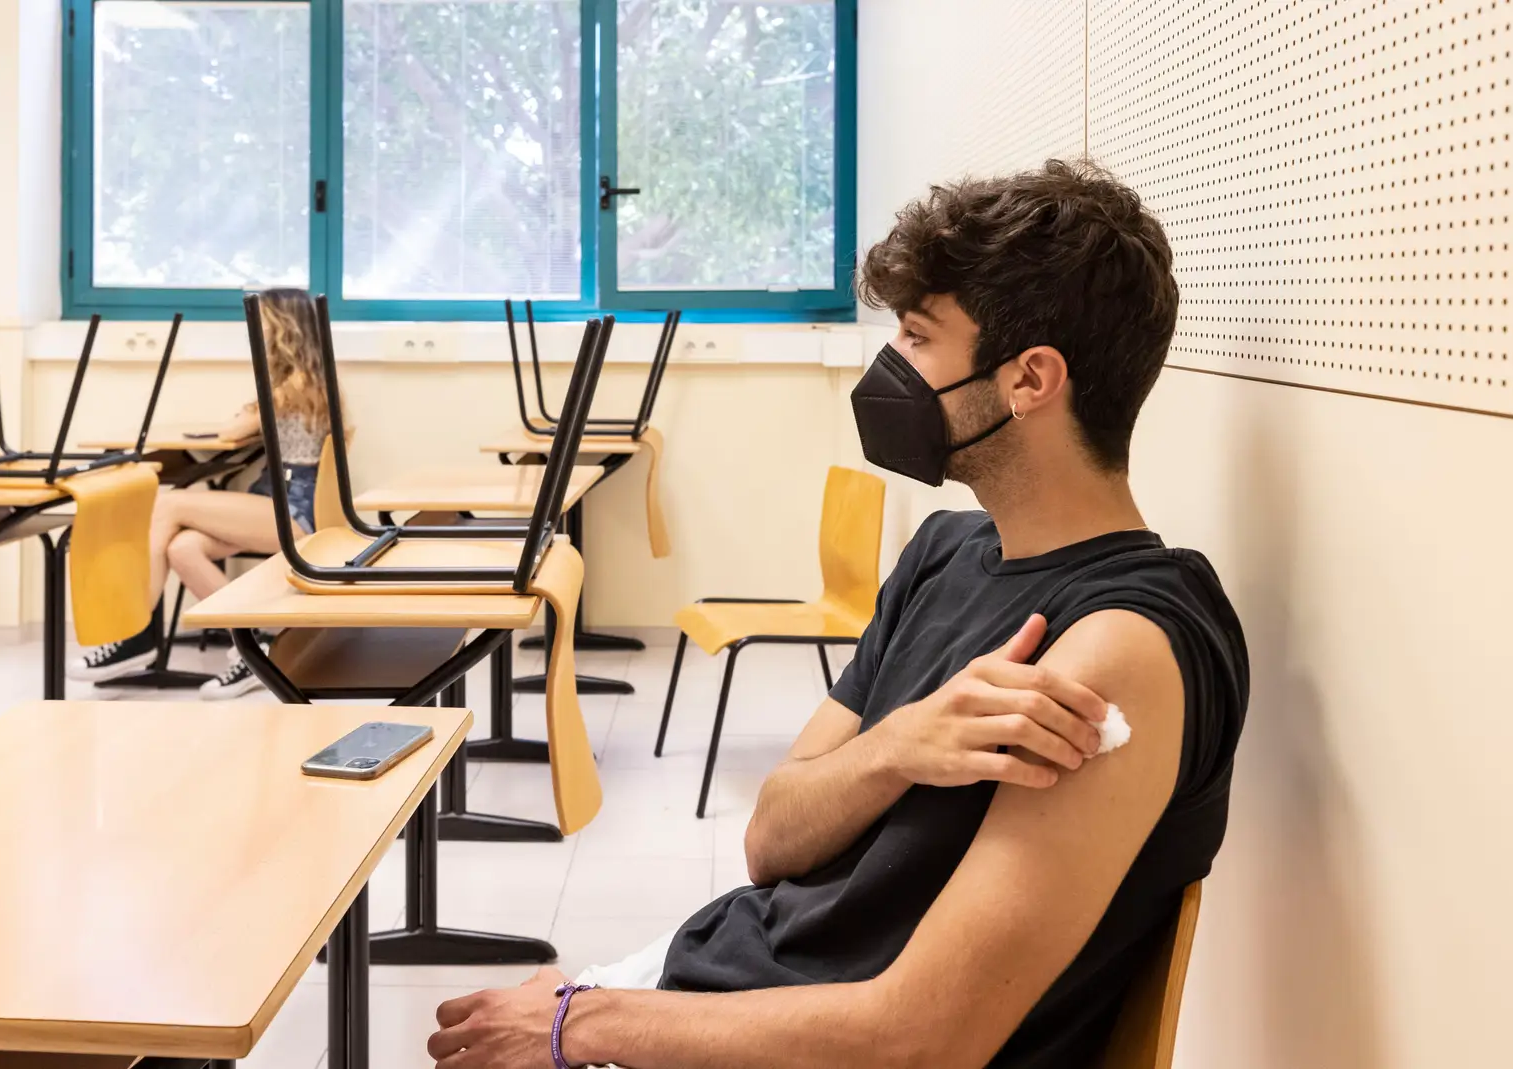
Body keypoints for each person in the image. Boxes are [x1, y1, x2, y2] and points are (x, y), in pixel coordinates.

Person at [426, 160, 1250, 1069]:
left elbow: (920, 1039)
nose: (890, 367)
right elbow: (770, 837)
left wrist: (576, 1023)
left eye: (918, 338)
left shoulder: (1119, 647)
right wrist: (900, 743)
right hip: (722, 982)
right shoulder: (945, 552)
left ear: (1031, 379)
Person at [68, 288, 344, 700]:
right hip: (272, 500)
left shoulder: (300, 383)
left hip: (294, 511)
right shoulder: (296, 380)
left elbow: (233, 429)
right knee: (182, 547)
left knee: (170, 502)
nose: (258, 328)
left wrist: (248, 408)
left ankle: (136, 633)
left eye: (264, 320)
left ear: (284, 327)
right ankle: (252, 648)